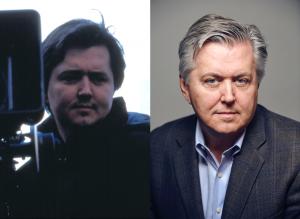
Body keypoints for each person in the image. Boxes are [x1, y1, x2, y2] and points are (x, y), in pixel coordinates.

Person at [151, 14, 300, 219]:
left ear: (257, 83)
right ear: (185, 87)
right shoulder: (155, 147)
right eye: (212, 80)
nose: (229, 97)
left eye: (241, 80)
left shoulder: (295, 151)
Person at [15, 16, 150, 218]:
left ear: (113, 87)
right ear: (42, 90)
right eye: (70, 77)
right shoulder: (26, 179)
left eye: (98, 79)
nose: (86, 91)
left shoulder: (151, 153)